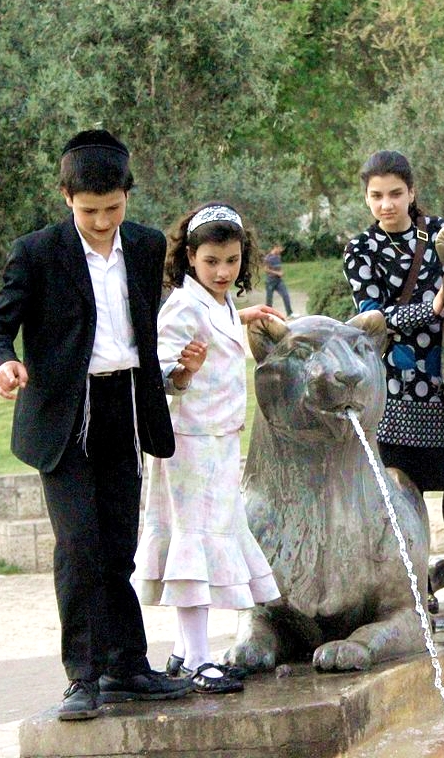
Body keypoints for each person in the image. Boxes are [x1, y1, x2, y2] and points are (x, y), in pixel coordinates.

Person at [0, 129, 192, 721]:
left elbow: (155, 325)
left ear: (128, 196)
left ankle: (128, 666)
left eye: (113, 208)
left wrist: (187, 359)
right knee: (79, 548)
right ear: (65, 197)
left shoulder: (147, 248)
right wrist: (4, 364)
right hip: (63, 419)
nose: (101, 221)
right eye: (89, 210)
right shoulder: (38, 252)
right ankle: (83, 676)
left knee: (120, 547)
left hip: (125, 409)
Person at [132, 202, 284, 694]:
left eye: (233, 261)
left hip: (217, 443)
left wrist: (241, 316)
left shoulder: (215, 304)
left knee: (203, 538)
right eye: (212, 262)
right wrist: (184, 374)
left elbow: (210, 324)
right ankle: (198, 657)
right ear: (191, 258)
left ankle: (183, 650)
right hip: (188, 445)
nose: (223, 271)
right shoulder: (181, 304)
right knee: (191, 544)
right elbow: (154, 372)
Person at [343, 150, 444, 611]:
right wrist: (426, 309)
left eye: (395, 193)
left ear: (412, 192)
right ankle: (414, 584)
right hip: (396, 384)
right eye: (376, 196)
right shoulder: (361, 250)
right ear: (367, 198)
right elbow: (372, 316)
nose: (386, 204)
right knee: (401, 487)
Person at [262, 243, 293, 316]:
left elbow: (279, 267)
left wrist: (281, 272)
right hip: (270, 281)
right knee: (269, 300)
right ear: (275, 247)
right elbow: (266, 269)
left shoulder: (278, 257)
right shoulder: (268, 258)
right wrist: (277, 273)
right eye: (280, 249)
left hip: (279, 281)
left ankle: (289, 313)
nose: (281, 250)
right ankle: (267, 315)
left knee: (286, 295)